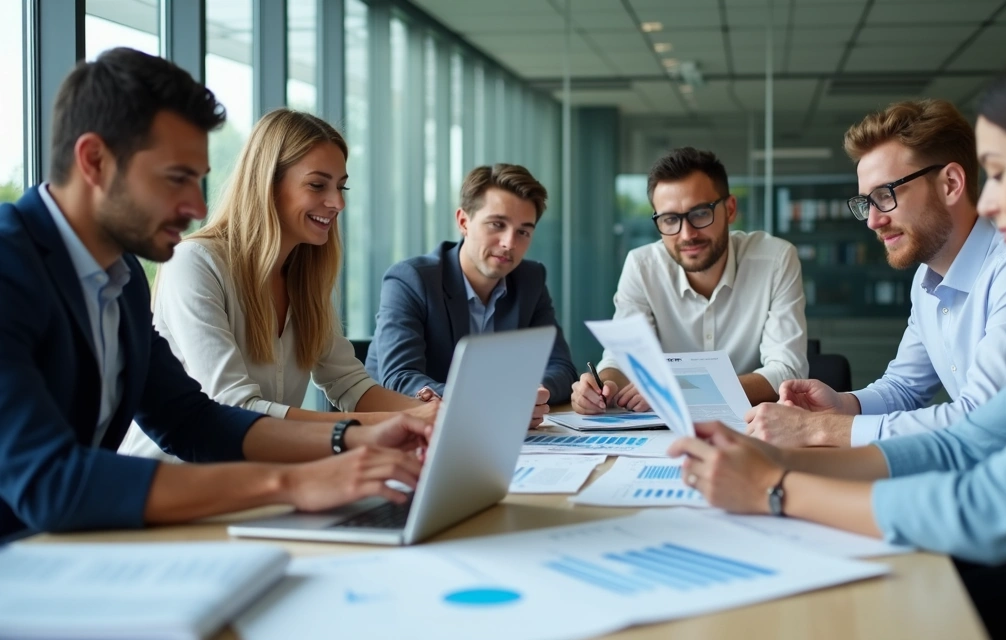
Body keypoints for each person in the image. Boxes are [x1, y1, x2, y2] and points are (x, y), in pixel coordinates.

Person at [668, 36, 1006, 640]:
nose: (994, 200)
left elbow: (990, 506)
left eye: (1002, 173)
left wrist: (776, 488)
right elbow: (970, 442)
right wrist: (781, 456)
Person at [0, 48, 430, 539]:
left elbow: (191, 421)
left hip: (80, 546)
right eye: (176, 178)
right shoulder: (11, 268)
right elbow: (48, 482)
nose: (195, 206)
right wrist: (292, 482)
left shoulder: (119, 277)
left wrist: (352, 436)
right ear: (95, 160)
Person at [119, 109, 438, 462]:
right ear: (267, 184)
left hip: (256, 484)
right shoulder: (195, 262)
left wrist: (436, 415)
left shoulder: (305, 276)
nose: (338, 202)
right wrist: (391, 424)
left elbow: (350, 384)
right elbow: (236, 407)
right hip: (175, 489)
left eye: (341, 186)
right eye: (318, 185)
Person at [745, 99, 1006, 448]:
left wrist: (819, 430)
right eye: (866, 203)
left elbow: (984, 418)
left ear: (950, 183)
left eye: (885, 195)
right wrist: (844, 405)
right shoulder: (927, 280)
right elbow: (905, 387)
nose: (874, 221)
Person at [571, 147, 809, 414]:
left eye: (700, 214)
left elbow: (787, 370)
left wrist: (683, 389)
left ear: (730, 209)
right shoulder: (642, 266)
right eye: (670, 219)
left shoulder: (775, 260)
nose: (687, 235)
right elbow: (624, 359)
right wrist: (603, 388)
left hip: (751, 424)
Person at [365, 164, 576, 428]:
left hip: (496, 436)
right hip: (398, 435)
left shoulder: (529, 280)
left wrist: (533, 394)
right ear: (464, 222)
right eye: (497, 224)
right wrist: (488, 403)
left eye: (523, 231)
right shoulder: (411, 279)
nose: (509, 243)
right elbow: (400, 378)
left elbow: (561, 367)